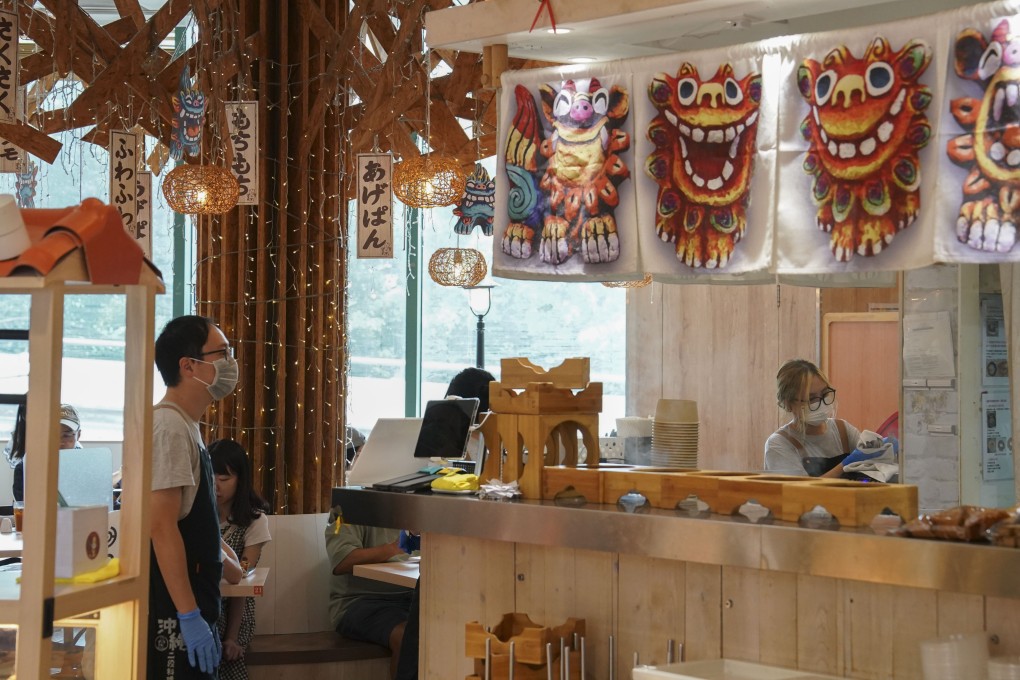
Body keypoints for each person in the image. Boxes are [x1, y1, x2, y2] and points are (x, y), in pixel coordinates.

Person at [149, 315, 239, 679]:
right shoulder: (168, 427)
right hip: (172, 612)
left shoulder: (187, 425)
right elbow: (161, 526)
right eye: (223, 352)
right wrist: (187, 614)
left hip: (196, 602)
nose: (231, 363)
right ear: (188, 366)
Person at [393, 367, 495, 680]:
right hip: (444, 570)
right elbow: (411, 532)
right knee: (418, 658)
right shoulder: (439, 444)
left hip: (465, 573)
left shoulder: (491, 446)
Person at [209, 439, 271, 680]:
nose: (216, 486)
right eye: (211, 477)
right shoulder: (195, 514)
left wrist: (232, 637)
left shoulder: (255, 521)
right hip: (203, 601)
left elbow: (242, 578)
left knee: (224, 649)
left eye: (224, 480)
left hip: (236, 610)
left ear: (241, 480)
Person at [764, 359, 889, 478]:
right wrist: (845, 465)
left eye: (824, 394)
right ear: (788, 404)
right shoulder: (779, 444)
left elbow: (873, 464)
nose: (822, 402)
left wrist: (885, 451)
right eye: (812, 398)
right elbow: (801, 492)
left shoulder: (843, 431)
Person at [325, 514, 413, 679]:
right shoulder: (346, 508)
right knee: (409, 637)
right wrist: (396, 546)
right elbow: (342, 560)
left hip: (411, 596)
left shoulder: (415, 506)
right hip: (359, 602)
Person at [6, 402, 83, 503]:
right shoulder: (26, 467)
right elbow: (23, 509)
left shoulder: (85, 466)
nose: (59, 442)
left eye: (66, 435)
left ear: (79, 435)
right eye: (53, 435)